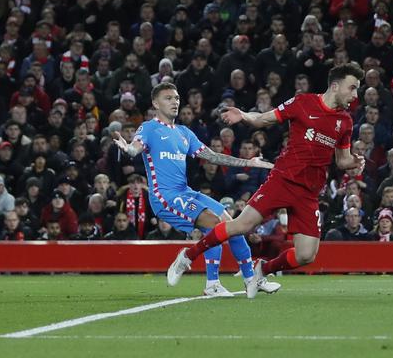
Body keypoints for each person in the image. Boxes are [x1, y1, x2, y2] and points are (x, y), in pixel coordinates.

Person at [174, 63, 367, 294]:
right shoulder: (302, 103)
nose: (355, 95)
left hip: (309, 192)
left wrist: (353, 162)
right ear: (335, 86)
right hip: (283, 180)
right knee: (241, 225)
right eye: (352, 88)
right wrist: (243, 115)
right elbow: (262, 120)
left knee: (306, 255)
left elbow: (342, 159)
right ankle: (188, 256)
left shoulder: (345, 121)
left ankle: (263, 269)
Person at [109, 82, 278, 298]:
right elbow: (136, 148)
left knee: (233, 225)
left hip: (185, 192)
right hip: (165, 197)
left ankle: (251, 279)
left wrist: (249, 163)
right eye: (168, 98)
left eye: (177, 98)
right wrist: (128, 149)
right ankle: (212, 283)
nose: (175, 102)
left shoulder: (184, 133)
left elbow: (213, 156)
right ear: (155, 103)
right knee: (213, 223)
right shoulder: (149, 128)